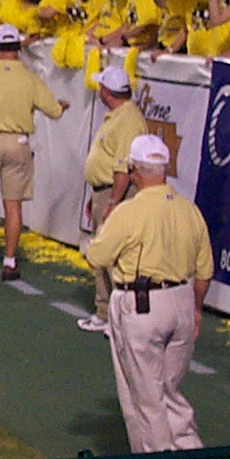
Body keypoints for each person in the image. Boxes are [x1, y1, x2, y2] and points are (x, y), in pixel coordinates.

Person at [86, 134, 215, 459]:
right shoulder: (189, 209)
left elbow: (98, 255)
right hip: (182, 300)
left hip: (141, 304)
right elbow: (205, 268)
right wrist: (195, 307)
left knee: (145, 398)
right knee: (169, 389)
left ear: (135, 171)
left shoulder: (130, 211)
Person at [0, 24, 67, 281]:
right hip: (18, 142)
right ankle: (10, 262)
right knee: (13, 204)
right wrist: (62, 106)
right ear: (19, 48)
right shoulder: (29, 78)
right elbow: (54, 111)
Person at [79, 66, 149, 333]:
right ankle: (104, 312)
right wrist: (97, 195)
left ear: (107, 91)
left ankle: (119, 318)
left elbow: (123, 167)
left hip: (114, 193)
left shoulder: (128, 120)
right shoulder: (118, 116)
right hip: (104, 191)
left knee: (113, 254)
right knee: (102, 253)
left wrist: (113, 202)